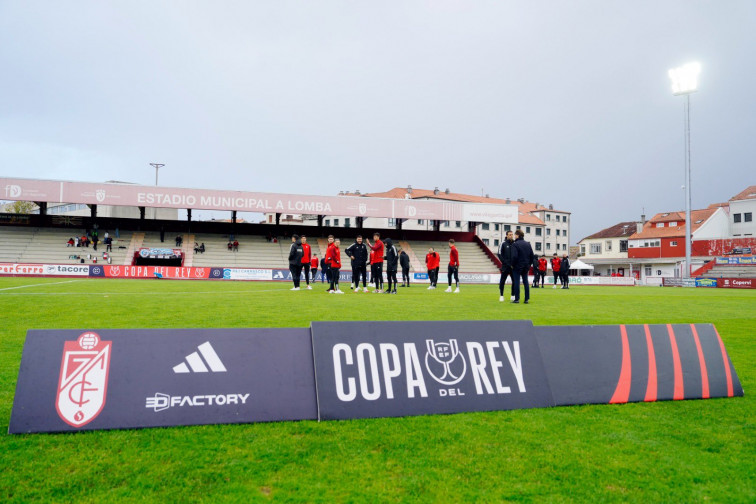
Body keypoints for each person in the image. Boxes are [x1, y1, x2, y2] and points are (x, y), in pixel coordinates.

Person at [511, 229, 534, 304]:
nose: (514, 236)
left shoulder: (515, 244)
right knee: (526, 282)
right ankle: (526, 299)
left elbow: (514, 256)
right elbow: (532, 256)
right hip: (526, 266)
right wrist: (528, 265)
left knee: (516, 282)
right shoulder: (528, 244)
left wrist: (513, 265)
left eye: (515, 235)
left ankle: (517, 299)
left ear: (517, 235)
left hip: (517, 266)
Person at [498, 230, 517, 302]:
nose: (511, 236)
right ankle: (501, 295)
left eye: (512, 234)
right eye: (509, 235)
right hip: (505, 266)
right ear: (506, 235)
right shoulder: (503, 243)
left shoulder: (515, 243)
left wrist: (514, 264)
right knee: (502, 281)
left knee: (514, 281)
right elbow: (499, 254)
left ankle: (513, 295)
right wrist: (505, 263)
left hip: (513, 267)